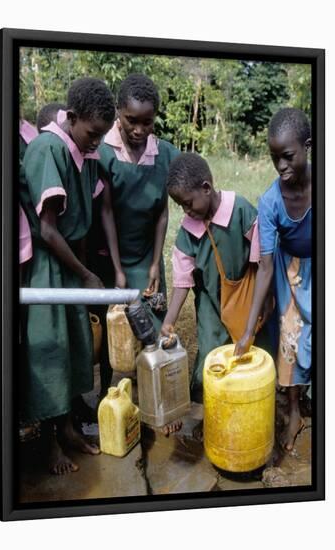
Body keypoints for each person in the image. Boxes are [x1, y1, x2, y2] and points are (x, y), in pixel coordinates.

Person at [20, 77, 124, 475]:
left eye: (101, 136)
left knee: (73, 350)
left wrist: (86, 274)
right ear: (73, 118)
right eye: (93, 134)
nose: (97, 142)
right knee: (49, 354)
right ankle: (49, 445)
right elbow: (47, 230)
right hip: (49, 268)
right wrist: (84, 274)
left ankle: (66, 431)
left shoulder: (85, 151)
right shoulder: (49, 149)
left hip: (70, 266)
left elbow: (85, 215)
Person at [93, 74, 180, 424]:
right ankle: (106, 401)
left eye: (147, 121)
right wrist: (116, 269)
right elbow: (107, 211)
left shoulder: (165, 154)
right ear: (118, 113)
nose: (139, 129)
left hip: (148, 255)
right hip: (112, 255)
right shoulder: (103, 153)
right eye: (131, 120)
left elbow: (162, 212)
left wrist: (157, 263)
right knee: (112, 333)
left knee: (152, 330)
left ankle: (155, 402)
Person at [235, 108, 312, 453]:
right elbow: (265, 266)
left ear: (308, 146)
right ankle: (294, 410)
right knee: (291, 341)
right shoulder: (269, 202)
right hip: (290, 272)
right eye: (274, 158)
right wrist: (249, 330)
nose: (281, 166)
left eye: (288, 156)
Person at [161, 152, 261, 406]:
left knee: (251, 349)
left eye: (188, 203)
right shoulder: (187, 230)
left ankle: (249, 398)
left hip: (246, 292)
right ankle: (209, 403)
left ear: (206, 188)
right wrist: (169, 321)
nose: (186, 210)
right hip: (209, 301)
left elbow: (263, 259)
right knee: (211, 352)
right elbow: (182, 281)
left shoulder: (240, 210)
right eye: (180, 206)